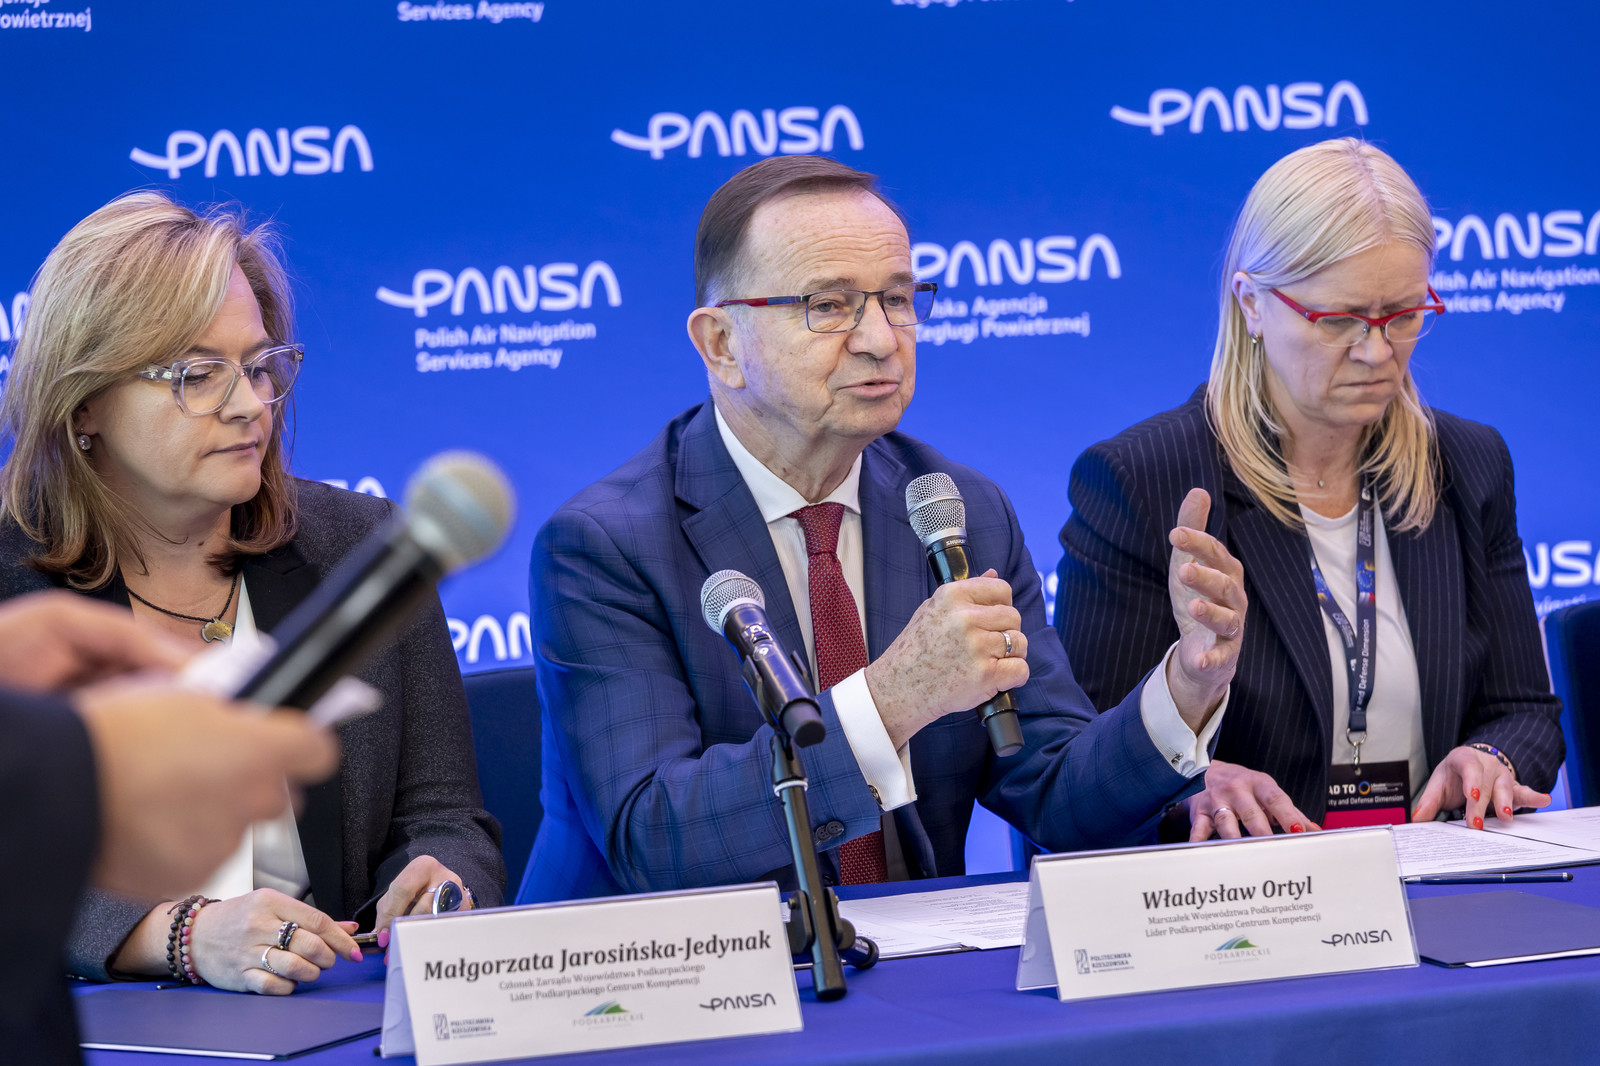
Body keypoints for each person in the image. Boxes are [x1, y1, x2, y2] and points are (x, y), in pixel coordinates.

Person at [520, 155, 1246, 904]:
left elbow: (1058, 797)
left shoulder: (958, 511)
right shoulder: (606, 546)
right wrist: (892, 699)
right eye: (828, 305)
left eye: (897, 299)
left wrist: (1185, 687)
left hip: (916, 959)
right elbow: (655, 840)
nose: (879, 338)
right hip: (676, 963)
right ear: (721, 345)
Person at [0, 192, 504, 995]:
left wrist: (438, 885)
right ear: (85, 402)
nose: (248, 406)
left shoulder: (364, 548)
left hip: (338, 1016)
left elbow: (445, 817)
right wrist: (180, 935)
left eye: (259, 366)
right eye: (198, 375)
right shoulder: (12, 588)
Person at [1054, 138, 1562, 841]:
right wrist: (1192, 782)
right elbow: (1079, 778)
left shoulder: (1468, 466)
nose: (1377, 351)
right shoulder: (1142, 479)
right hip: (1246, 887)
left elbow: (1525, 711)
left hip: (1433, 874)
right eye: (1340, 320)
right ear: (1252, 304)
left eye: (1403, 315)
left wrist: (1489, 759)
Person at [0, 591, 339, 1066]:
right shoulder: (19, 575)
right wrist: (82, 764)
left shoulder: (345, 552)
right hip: (115, 1022)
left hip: (330, 1001)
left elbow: (433, 808)